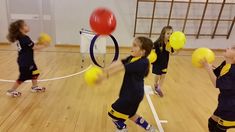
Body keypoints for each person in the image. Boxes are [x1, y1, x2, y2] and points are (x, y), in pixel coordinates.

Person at [96, 37, 157, 132]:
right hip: (133, 94)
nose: (131, 47)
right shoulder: (133, 58)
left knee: (112, 113)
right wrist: (104, 70)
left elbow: (121, 68)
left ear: (143, 51)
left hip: (131, 95)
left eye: (135, 45)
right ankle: (149, 128)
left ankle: (122, 129)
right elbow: (119, 62)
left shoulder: (142, 62)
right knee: (131, 115)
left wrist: (103, 77)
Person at [6, 20, 49, 97]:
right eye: (25, 25)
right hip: (25, 62)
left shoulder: (22, 38)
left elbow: (30, 46)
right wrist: (44, 45)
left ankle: (34, 87)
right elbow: (34, 47)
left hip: (28, 60)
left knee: (35, 72)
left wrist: (39, 43)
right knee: (23, 77)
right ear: (21, 29)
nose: (27, 26)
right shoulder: (25, 38)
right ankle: (11, 91)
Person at [201, 45, 235, 132]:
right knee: (212, 122)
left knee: (218, 129)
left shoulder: (232, 71)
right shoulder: (225, 63)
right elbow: (216, 74)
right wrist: (208, 66)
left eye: (232, 49)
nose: (228, 48)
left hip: (231, 108)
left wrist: (208, 68)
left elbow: (217, 83)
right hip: (224, 103)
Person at [152, 26, 174, 97]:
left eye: (171, 33)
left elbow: (172, 53)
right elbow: (151, 49)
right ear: (163, 34)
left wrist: (179, 50)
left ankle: (159, 88)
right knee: (158, 75)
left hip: (165, 62)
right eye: (168, 33)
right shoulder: (158, 43)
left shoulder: (170, 44)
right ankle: (155, 84)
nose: (169, 35)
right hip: (157, 62)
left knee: (163, 75)